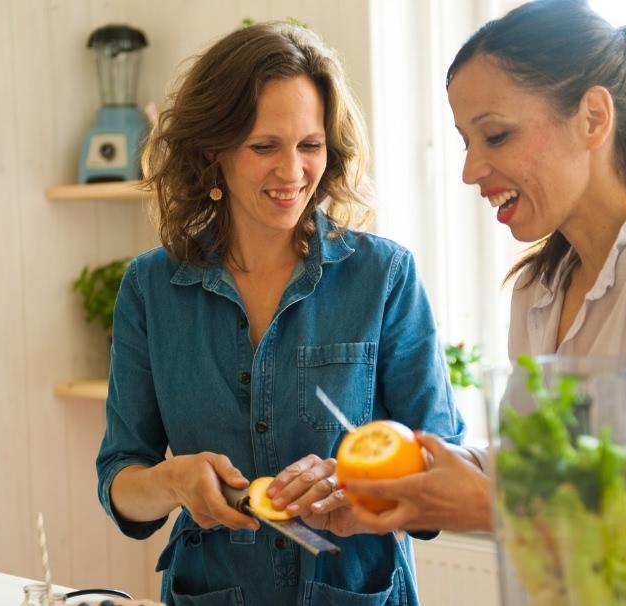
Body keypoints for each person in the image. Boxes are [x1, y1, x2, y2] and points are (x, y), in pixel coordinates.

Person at [342, 1, 626, 603]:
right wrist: (410, 476)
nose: (471, 170)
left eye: (496, 135)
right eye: (465, 141)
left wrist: (495, 503)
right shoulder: (538, 288)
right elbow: (545, 464)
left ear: (592, 117)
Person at [94, 21, 464, 606]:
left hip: (354, 589)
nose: (292, 172)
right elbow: (121, 480)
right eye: (264, 146)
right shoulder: (150, 287)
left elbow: (441, 468)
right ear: (213, 150)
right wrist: (172, 481)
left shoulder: (385, 276)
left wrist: (352, 487)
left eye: (309, 145)